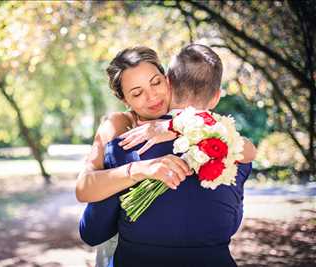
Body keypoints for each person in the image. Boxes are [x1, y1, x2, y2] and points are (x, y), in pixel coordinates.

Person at [79, 44, 254, 267]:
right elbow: (231, 223)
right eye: (137, 92)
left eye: (155, 83)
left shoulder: (126, 146)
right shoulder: (234, 152)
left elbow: (93, 231)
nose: (151, 96)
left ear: (167, 80)